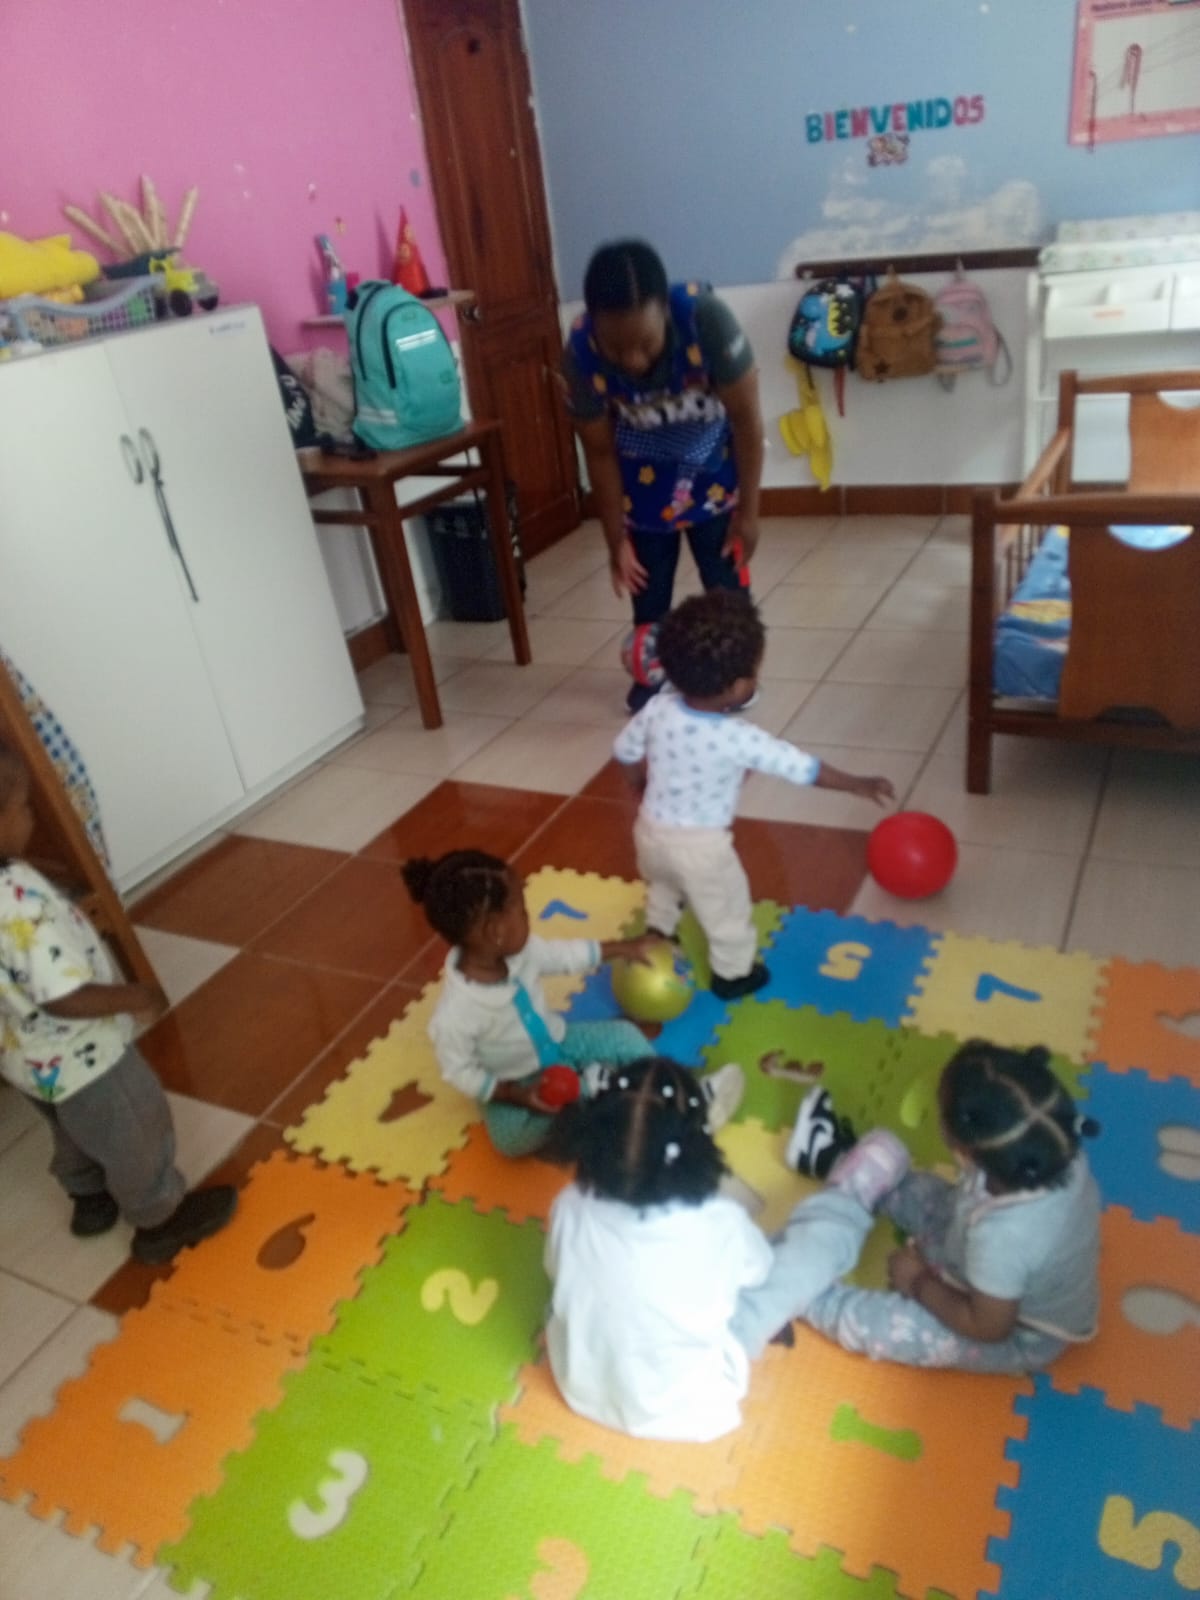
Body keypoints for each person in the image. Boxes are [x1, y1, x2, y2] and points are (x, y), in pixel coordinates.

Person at [731, 1040, 1103, 1373]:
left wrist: (918, 1283)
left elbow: (989, 1327)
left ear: (964, 1151)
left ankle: (797, 1294)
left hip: (1015, 1329)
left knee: (881, 1327)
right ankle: (831, 1158)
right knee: (912, 1187)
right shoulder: (1054, 1146)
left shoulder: (1004, 1237)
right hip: (973, 1247)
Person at [0, 743, 236, 1263]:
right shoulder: (19, 905)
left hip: (24, 1057)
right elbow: (63, 997)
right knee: (135, 1125)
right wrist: (135, 995)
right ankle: (160, 1219)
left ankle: (89, 1198)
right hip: (84, 1057)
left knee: (71, 1127)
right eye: (22, 806)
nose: (31, 816)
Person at [613, 590, 894, 1000]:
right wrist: (857, 783)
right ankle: (733, 975)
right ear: (736, 686)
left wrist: (638, 783)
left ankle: (659, 931)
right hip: (703, 850)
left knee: (664, 883)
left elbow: (624, 751)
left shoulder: (657, 707)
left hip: (650, 832)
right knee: (727, 912)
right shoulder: (738, 737)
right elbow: (804, 769)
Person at [402, 850, 744, 1158]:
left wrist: (623, 948)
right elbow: (460, 1071)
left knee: (625, 1036)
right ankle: (599, 1090)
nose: (528, 917)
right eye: (521, 910)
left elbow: (564, 956)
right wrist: (514, 1094)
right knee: (509, 1141)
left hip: (562, 1040)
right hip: (515, 1080)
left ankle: (686, 1094)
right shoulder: (456, 1015)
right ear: (494, 931)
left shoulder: (521, 952)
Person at [561, 239, 765, 711]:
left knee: (727, 588)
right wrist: (616, 539)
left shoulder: (706, 320)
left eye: (646, 344)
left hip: (713, 478)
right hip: (643, 491)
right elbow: (599, 452)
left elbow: (746, 422)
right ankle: (653, 677)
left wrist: (750, 514)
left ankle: (736, 678)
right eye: (617, 348)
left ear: (665, 316)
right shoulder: (580, 354)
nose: (633, 360)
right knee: (647, 591)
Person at [545, 1055, 772, 1442]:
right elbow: (760, 1270)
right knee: (789, 1264)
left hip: (583, 1389)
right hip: (695, 1408)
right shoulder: (722, 1221)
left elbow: (555, 1270)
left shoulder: (569, 1204)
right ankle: (848, 1194)